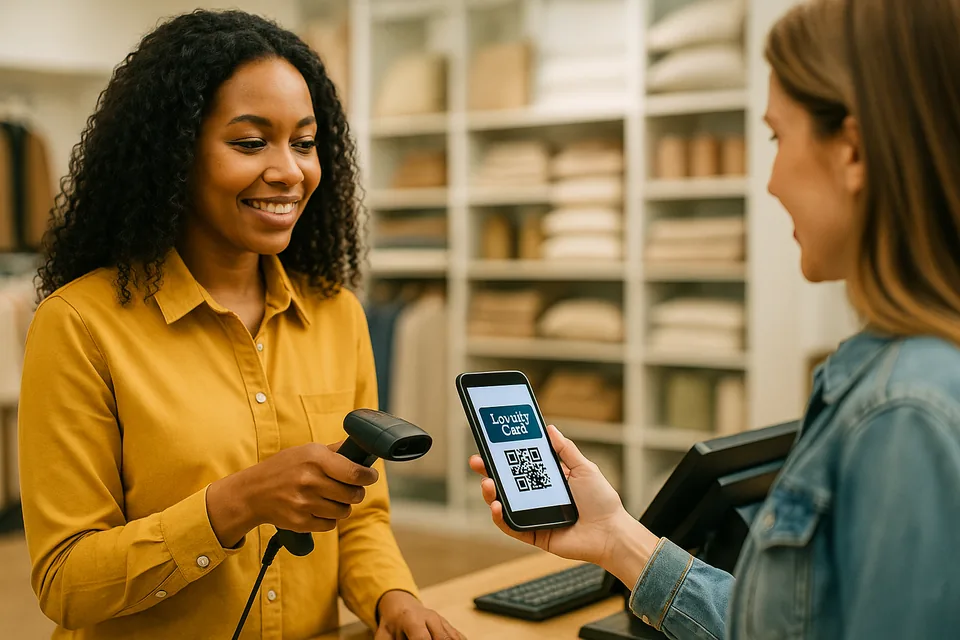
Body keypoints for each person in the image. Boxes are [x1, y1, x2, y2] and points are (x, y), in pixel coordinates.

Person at [470, 0, 960, 638]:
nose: (772, 182)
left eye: (778, 138)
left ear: (854, 151)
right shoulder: (877, 376)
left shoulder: (905, 411)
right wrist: (616, 536)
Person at [17, 10, 463, 640]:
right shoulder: (80, 327)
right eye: (250, 142)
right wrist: (237, 504)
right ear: (173, 154)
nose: (289, 171)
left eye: (304, 142)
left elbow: (361, 518)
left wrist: (393, 599)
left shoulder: (337, 314)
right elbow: (66, 582)